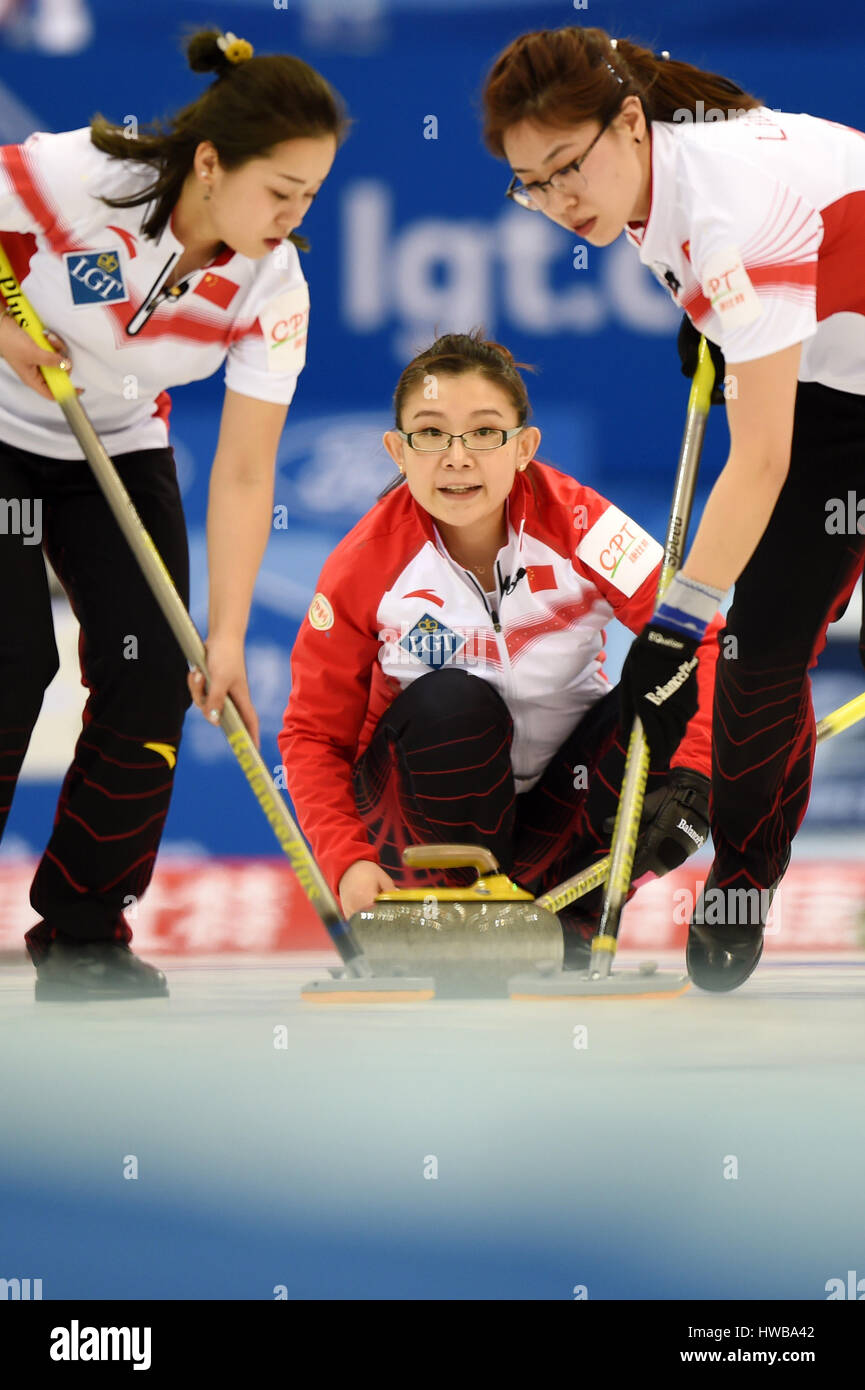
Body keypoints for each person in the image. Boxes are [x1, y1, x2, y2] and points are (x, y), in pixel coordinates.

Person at [479, 25, 865, 990]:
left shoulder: (728, 208)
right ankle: (741, 883)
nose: (558, 202)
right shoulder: (656, 182)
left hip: (817, 409)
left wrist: (675, 621)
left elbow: (761, 459)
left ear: (630, 123)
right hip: (837, 386)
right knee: (756, 665)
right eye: (531, 183)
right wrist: (726, 338)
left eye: (568, 167)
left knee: (722, 639)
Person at [0, 27, 349, 1000]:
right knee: (14, 654)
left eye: (309, 196)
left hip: (114, 440)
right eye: (278, 190)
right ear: (209, 161)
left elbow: (243, 471)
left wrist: (226, 636)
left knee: (155, 668)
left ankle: (81, 929)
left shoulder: (273, 288)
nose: (291, 215)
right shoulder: (78, 178)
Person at [279, 331, 721, 968]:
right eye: (430, 434)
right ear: (397, 452)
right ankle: (447, 923)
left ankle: (568, 922)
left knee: (649, 697)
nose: (456, 458)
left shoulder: (583, 526)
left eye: (484, 432)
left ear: (523, 448)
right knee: (453, 704)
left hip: (562, 816)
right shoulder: (362, 565)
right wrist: (346, 860)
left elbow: (700, 638)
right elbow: (312, 735)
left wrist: (693, 776)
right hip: (421, 825)